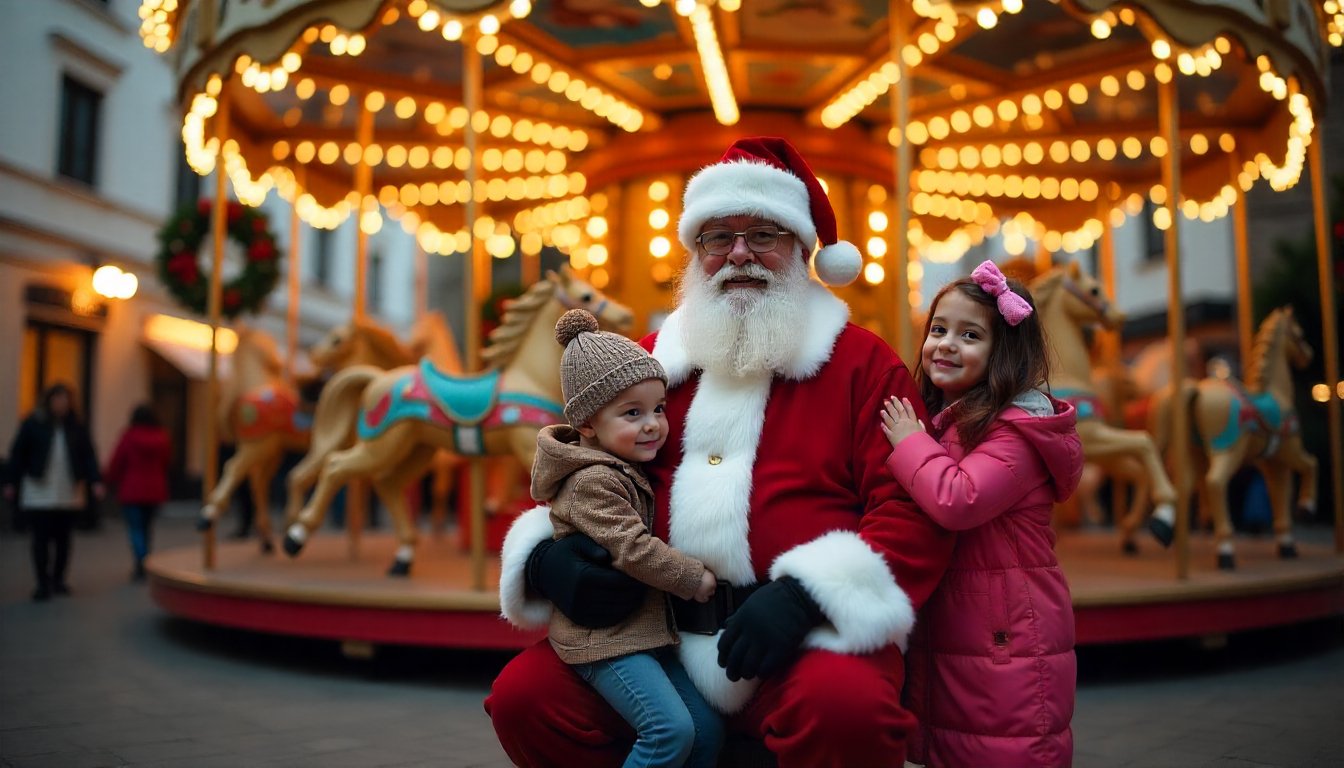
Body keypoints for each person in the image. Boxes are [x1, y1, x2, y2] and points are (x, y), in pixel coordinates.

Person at [488, 136, 956, 767]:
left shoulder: (863, 364)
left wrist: (808, 595)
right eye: (717, 237)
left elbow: (910, 508)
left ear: (800, 248)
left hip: (802, 638)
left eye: (763, 233)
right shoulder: (650, 357)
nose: (739, 254)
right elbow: (582, 465)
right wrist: (546, 557)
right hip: (655, 635)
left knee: (848, 712)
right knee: (527, 698)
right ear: (696, 252)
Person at [880, 260, 1083, 768]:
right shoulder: (953, 420)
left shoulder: (1016, 433)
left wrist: (908, 444)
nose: (945, 344)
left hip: (1007, 630)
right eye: (939, 329)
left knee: (1004, 745)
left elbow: (958, 499)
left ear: (1004, 355)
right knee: (955, 741)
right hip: (966, 625)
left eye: (969, 335)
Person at [532, 308, 724, 768]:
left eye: (658, 408)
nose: (653, 424)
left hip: (637, 633)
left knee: (706, 731)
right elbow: (631, 546)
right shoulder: (592, 481)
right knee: (668, 731)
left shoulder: (621, 465)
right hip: (605, 639)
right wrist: (690, 578)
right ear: (587, 425)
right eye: (632, 413)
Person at [3, 383, 103, 601]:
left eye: (65, 400)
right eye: (58, 400)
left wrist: (95, 480)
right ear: (49, 401)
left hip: (68, 488)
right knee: (40, 537)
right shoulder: (33, 424)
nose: (62, 405)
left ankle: (58, 579)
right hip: (40, 488)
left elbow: (88, 454)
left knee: (63, 538)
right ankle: (42, 582)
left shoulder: (75, 426)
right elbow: (18, 453)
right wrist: (10, 481)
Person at [105, 404, 172, 581]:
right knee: (147, 528)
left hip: (132, 488)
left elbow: (118, 460)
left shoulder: (129, 436)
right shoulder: (161, 437)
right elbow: (166, 462)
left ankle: (141, 561)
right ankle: (146, 559)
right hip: (154, 488)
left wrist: (108, 480)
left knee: (136, 528)